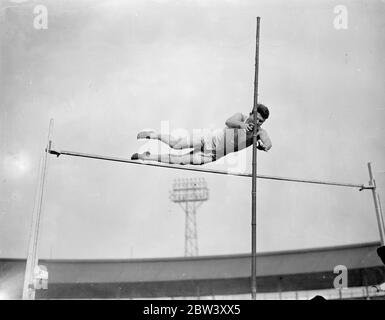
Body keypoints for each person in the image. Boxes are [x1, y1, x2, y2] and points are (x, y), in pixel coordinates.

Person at [131, 103, 272, 165]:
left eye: (261, 121)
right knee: (176, 145)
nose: (258, 123)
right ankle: (155, 135)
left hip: (212, 155)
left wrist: (263, 146)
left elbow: (268, 143)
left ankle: (148, 157)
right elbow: (228, 122)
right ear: (251, 114)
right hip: (208, 138)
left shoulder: (259, 133)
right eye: (256, 118)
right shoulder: (241, 117)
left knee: (178, 161)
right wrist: (243, 125)